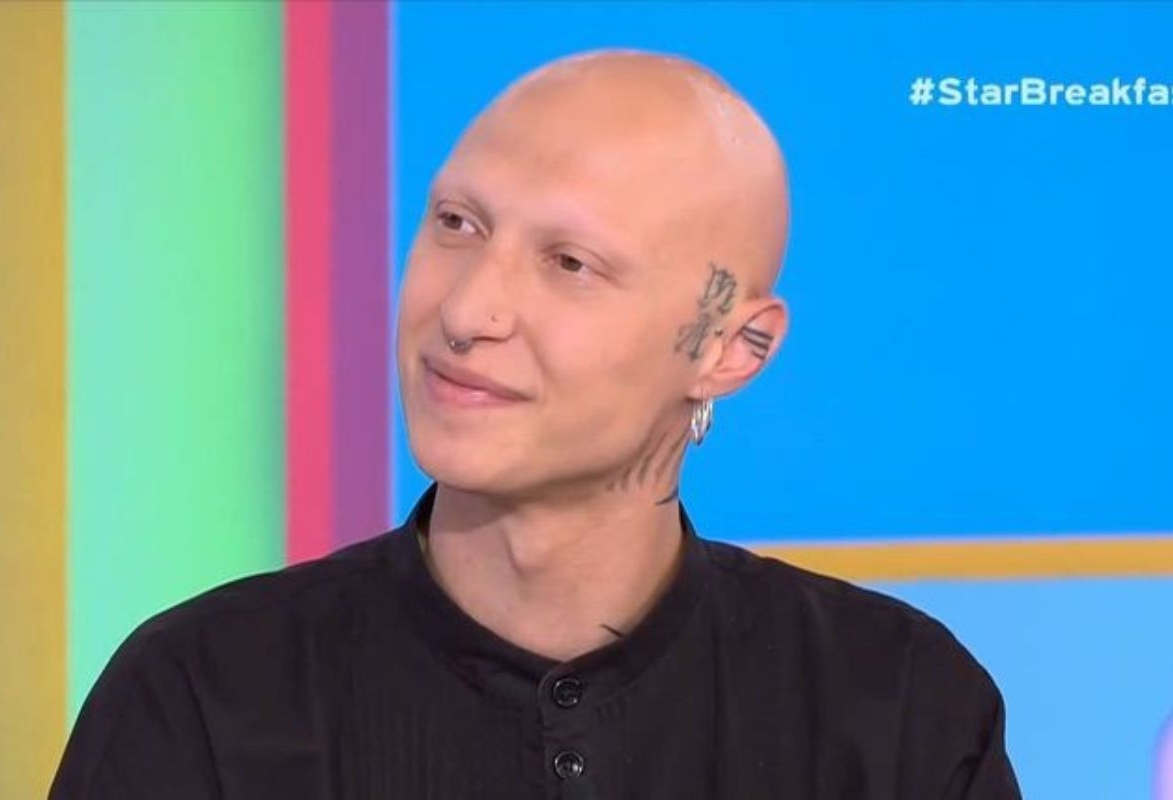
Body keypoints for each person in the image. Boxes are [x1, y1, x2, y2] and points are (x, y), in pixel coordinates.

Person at [50, 49, 1021, 799]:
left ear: (734, 348)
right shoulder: (201, 696)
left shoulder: (897, 707)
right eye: (457, 224)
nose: (466, 310)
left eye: (570, 263)